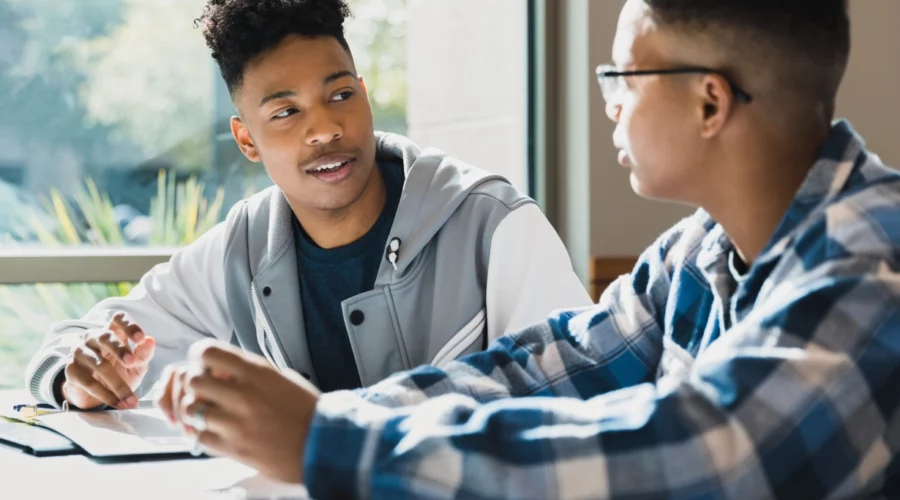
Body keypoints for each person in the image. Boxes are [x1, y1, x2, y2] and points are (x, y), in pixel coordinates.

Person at [166, 0, 900, 497]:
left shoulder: (870, 261)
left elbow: (707, 453)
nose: (609, 102)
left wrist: (326, 442)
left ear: (709, 103)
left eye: (623, 77)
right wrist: (323, 418)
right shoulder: (700, 250)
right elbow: (547, 368)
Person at [24, 0, 589, 411]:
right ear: (247, 139)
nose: (324, 129)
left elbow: (583, 395)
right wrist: (79, 377)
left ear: (365, 97)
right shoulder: (241, 249)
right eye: (285, 112)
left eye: (340, 95)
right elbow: (72, 342)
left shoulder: (496, 226)